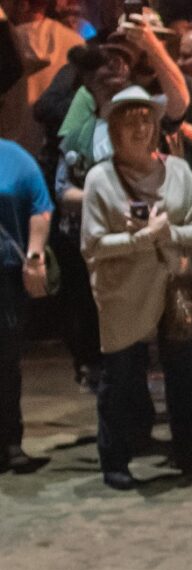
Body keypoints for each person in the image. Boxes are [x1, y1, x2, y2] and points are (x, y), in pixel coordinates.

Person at [85, 85, 192, 492]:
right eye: (130, 121)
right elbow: (93, 244)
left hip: (176, 287)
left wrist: (166, 232)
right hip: (123, 291)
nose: (141, 128)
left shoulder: (179, 171)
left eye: (147, 120)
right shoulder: (100, 179)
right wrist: (141, 241)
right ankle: (116, 459)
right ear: (114, 130)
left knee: (185, 373)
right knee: (120, 377)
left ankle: (191, 452)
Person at [0, 129, 50, 474]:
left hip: (6, 276)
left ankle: (9, 440)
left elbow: (40, 205)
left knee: (6, 362)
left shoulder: (13, 156)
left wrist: (34, 257)